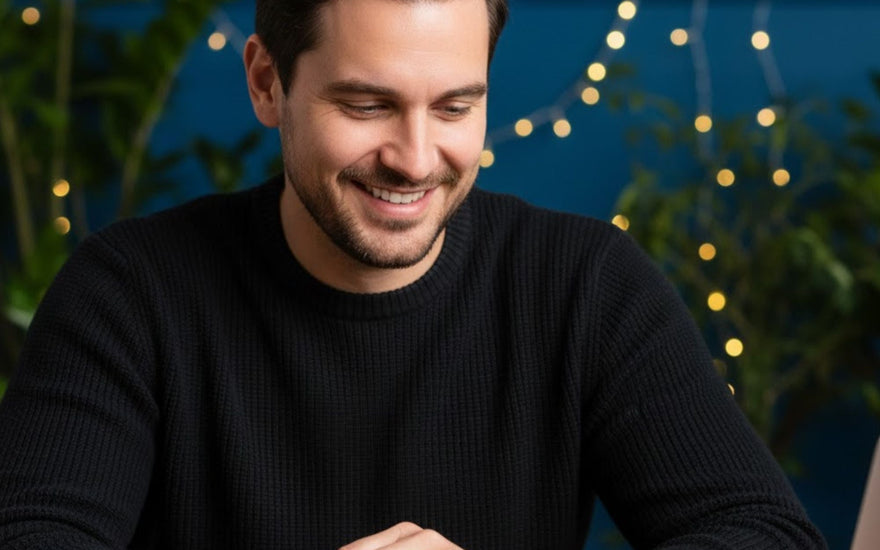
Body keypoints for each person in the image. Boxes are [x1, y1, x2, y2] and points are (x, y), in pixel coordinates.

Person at [0, 0, 827, 548]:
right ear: (267, 82)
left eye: (456, 107)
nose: (416, 159)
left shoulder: (583, 283)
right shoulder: (129, 293)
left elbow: (762, 532)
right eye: (366, 106)